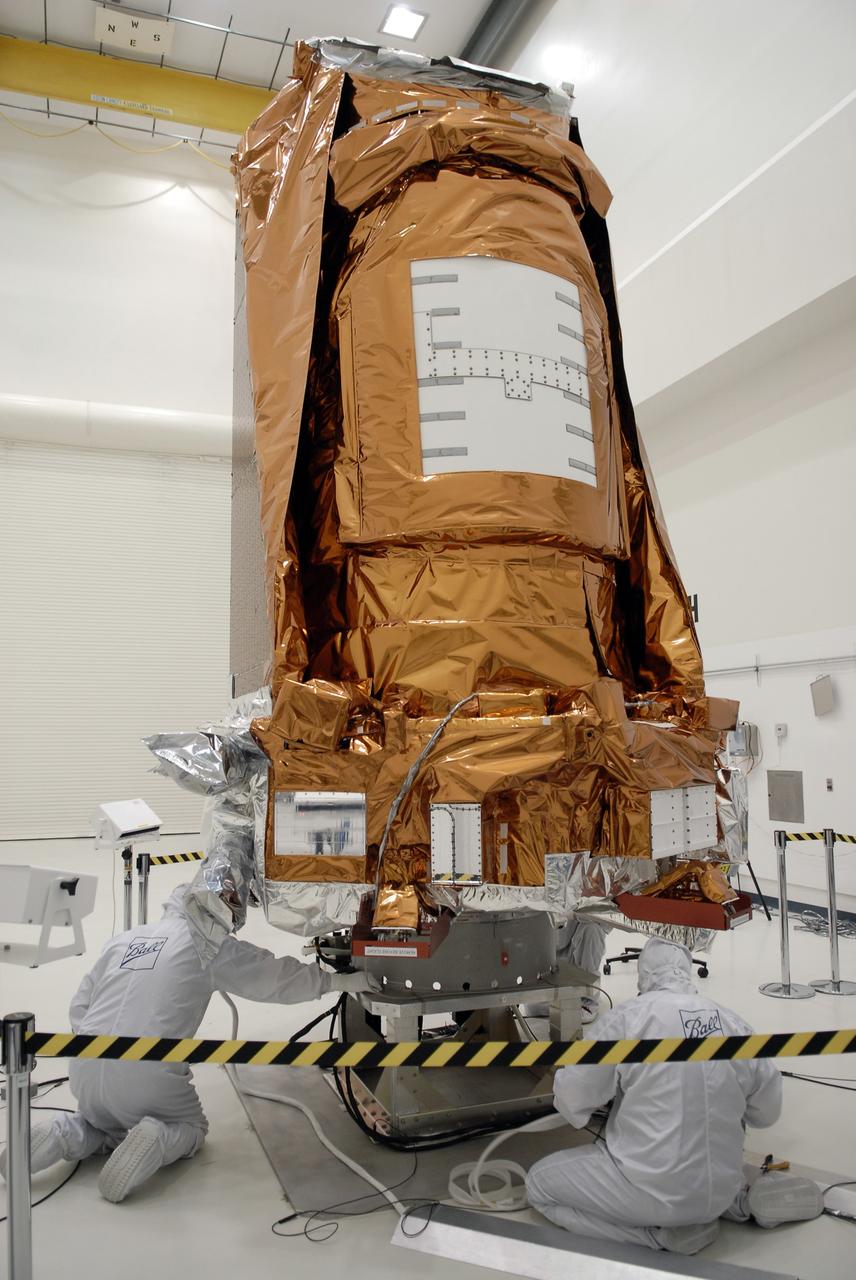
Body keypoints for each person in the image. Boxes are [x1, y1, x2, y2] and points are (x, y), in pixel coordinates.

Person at [1, 882, 374, 1204]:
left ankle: (62, 1134)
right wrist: (340, 982)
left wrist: (101, 1055)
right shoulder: (206, 943)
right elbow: (272, 979)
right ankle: (157, 1135)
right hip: (147, 1076)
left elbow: (81, 1005)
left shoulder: (127, 939)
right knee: (192, 1129)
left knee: (99, 1123)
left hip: (84, 1067)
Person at [526, 937, 789, 1254]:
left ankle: (657, 1237)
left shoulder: (627, 1019)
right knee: (711, 1155)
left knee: (539, 1186)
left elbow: (572, 1099)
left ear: (642, 977)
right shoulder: (734, 1023)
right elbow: (768, 1113)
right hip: (721, 1186)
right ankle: (738, 1201)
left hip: (649, 1192)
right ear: (687, 973)